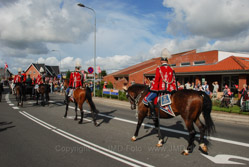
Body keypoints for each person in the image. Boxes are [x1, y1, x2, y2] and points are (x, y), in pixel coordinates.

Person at [145, 48, 176, 119]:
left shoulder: (159, 68)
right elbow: (173, 80)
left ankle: (153, 114)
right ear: (167, 61)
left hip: (161, 89)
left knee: (148, 99)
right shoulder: (171, 68)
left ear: (161, 61)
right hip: (170, 90)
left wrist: (152, 88)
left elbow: (156, 80)